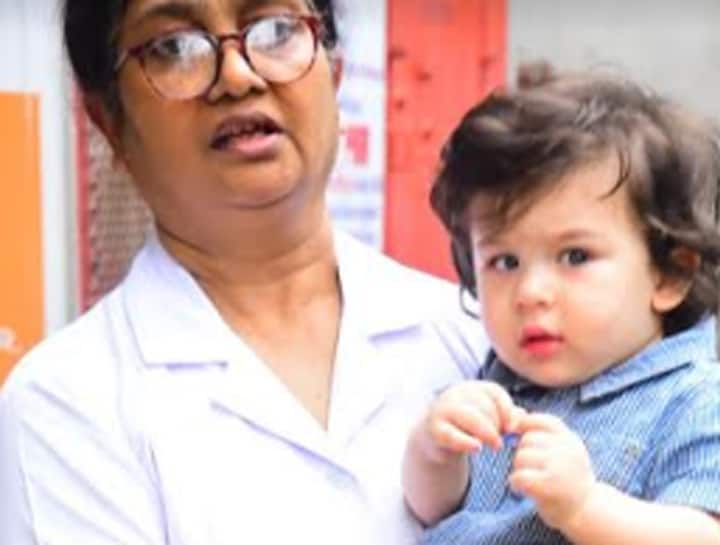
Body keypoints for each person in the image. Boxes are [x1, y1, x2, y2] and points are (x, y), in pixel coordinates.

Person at [0, 1, 489, 544]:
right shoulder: (65, 406)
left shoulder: (474, 334)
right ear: (108, 123)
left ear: (335, 71)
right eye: (174, 46)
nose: (237, 75)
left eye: (277, 29)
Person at [402, 74, 720, 545]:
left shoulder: (702, 401)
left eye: (575, 256)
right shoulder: (492, 387)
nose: (530, 292)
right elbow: (435, 510)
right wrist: (434, 454)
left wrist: (585, 508)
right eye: (504, 261)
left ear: (669, 274)